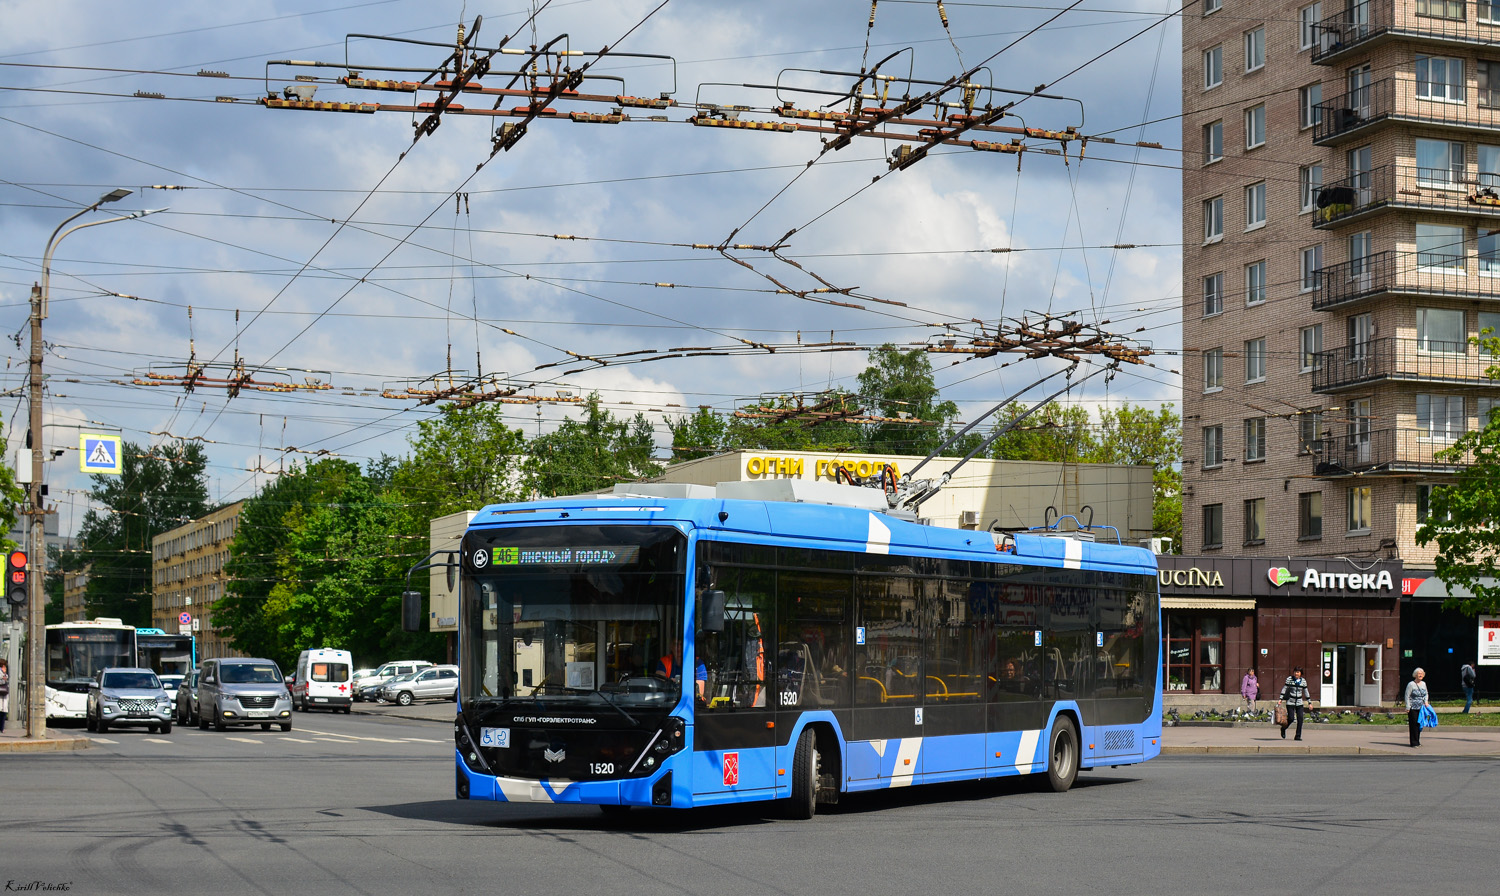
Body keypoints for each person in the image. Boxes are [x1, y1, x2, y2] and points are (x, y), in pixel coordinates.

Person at [1278, 666, 1310, 741]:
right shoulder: (1289, 679)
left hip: (1299, 702)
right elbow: (1285, 688)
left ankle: (1298, 736)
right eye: (1295, 672)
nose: (1296, 673)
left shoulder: (1303, 681)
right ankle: (1283, 728)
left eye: (1298, 672)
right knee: (1291, 718)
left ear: (1301, 673)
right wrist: (1281, 698)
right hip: (1290, 701)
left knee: (1300, 719)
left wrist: (1309, 702)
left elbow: (1306, 691)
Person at [1405, 667, 1432, 747]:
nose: (1420, 675)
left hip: (1422, 708)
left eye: (1422, 674)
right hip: (1413, 708)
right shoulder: (1411, 684)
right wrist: (1407, 707)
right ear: (1415, 675)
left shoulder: (1424, 684)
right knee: (1414, 725)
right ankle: (1413, 742)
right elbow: (1407, 696)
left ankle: (1418, 741)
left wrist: (1426, 702)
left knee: (1419, 724)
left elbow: (1426, 694)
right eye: (1419, 674)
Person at [0, 658, 9, 733]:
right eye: (4, 666)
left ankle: (2, 728)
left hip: (4, 695)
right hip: (0, 695)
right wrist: (4, 679)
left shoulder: (4, 673)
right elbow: (3, 681)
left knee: (4, 712)